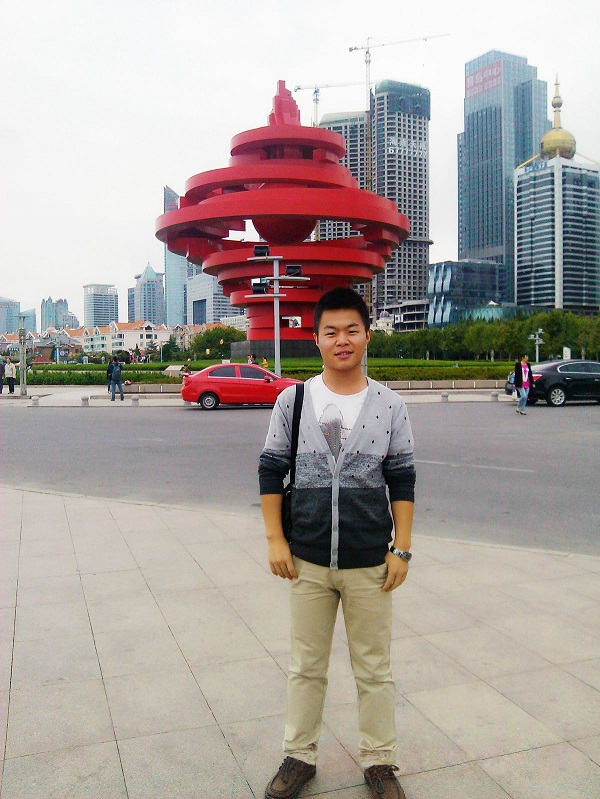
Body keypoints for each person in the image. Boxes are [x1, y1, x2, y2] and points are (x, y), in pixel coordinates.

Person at [259, 287, 416, 799]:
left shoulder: (389, 405)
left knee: (374, 669)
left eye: (352, 330)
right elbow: (270, 469)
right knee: (305, 666)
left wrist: (401, 548)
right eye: (331, 331)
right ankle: (299, 756)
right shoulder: (293, 401)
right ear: (317, 339)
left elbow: (403, 478)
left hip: (370, 561)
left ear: (367, 335)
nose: (342, 340)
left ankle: (379, 761)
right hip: (306, 559)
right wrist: (275, 539)